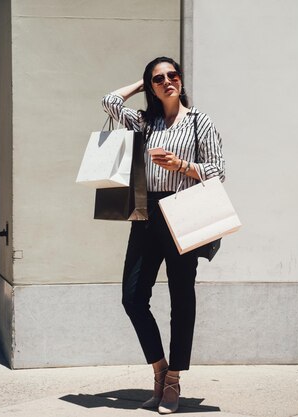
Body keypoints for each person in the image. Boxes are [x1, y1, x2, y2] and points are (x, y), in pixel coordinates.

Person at [101, 56, 225, 414]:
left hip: (185, 210)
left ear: (182, 80)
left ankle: (174, 379)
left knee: (181, 297)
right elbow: (109, 101)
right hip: (146, 213)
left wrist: (183, 165)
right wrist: (142, 84)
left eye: (172, 75)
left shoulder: (201, 122)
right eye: (159, 79)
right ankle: (159, 369)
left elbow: (219, 171)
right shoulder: (145, 122)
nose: (167, 81)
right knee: (132, 296)